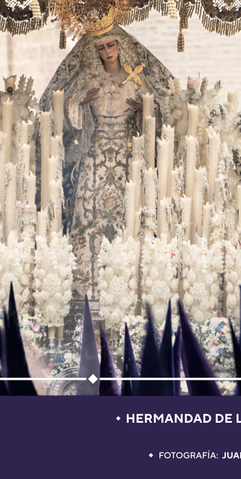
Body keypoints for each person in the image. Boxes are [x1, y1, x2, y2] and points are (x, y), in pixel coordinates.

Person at [39, 22, 173, 301]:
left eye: (111, 45)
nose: (107, 52)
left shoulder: (136, 77)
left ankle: (127, 286)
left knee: (128, 215)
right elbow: (65, 110)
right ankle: (87, 287)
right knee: (88, 215)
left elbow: (161, 111)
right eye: (100, 47)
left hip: (127, 159)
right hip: (95, 157)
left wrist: (147, 109)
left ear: (120, 46)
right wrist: (78, 102)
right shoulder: (89, 80)